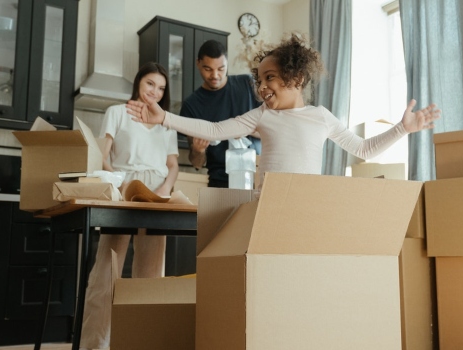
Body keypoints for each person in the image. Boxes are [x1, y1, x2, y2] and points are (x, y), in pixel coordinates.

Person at [126, 34, 440, 186]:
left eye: (270, 78)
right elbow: (215, 130)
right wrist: (164, 117)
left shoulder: (321, 117)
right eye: (259, 80)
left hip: (306, 204)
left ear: (297, 78)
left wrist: (403, 129)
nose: (262, 87)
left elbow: (364, 148)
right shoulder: (263, 115)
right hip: (265, 205)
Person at [80, 62, 179, 350]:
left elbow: (172, 164)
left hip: (157, 194)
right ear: (138, 82)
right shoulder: (117, 112)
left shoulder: (166, 121)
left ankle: (140, 342)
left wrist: (165, 188)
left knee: (150, 275)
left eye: (161, 88)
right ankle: (95, 344)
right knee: (107, 270)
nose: (155, 92)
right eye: (150, 84)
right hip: (123, 190)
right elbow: (102, 154)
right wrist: (119, 183)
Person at [180, 39, 261, 188]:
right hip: (220, 181)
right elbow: (197, 163)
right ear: (198, 63)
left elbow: (271, 128)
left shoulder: (247, 84)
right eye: (208, 69)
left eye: (221, 69)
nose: (215, 75)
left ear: (227, 64)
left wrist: (243, 128)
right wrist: (198, 150)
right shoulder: (191, 105)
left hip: (257, 176)